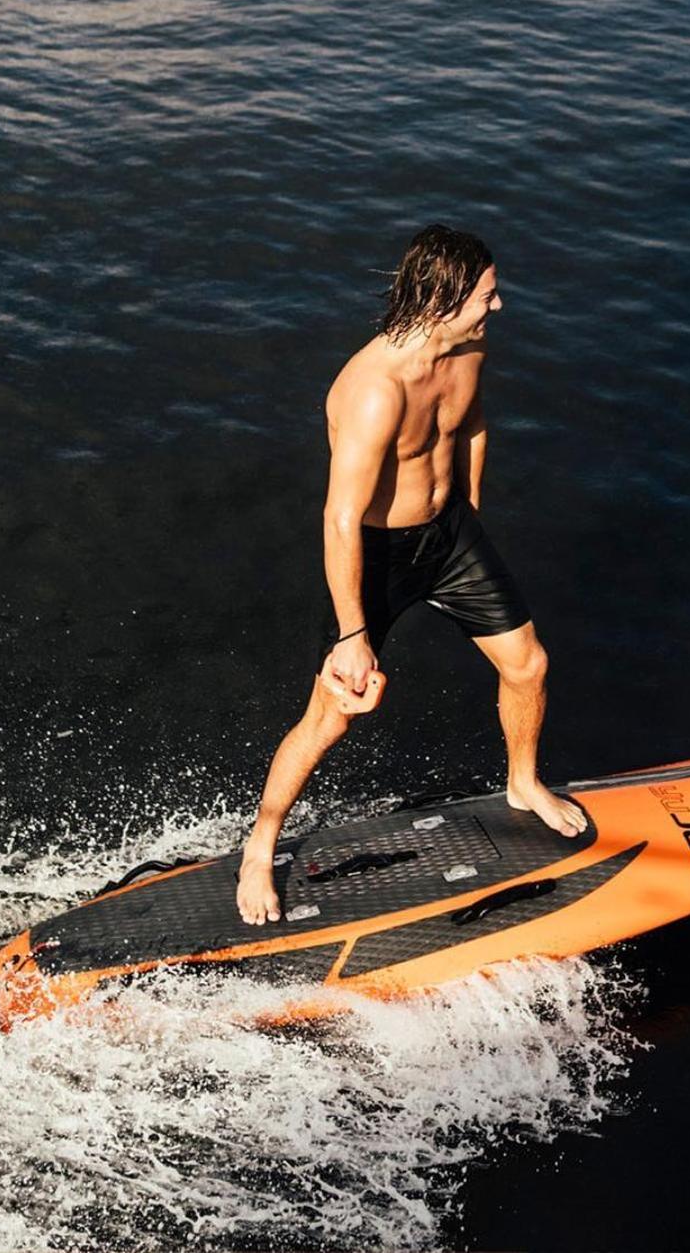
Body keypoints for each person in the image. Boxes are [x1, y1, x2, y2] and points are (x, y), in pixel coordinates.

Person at [236, 224, 587, 926]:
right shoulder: (374, 389)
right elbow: (339, 518)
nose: (499, 305)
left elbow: (473, 424)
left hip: (449, 533)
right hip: (376, 553)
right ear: (443, 300)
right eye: (486, 295)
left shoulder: (468, 348)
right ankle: (260, 842)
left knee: (529, 664)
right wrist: (352, 633)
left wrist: (472, 513)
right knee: (333, 715)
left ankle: (522, 782)